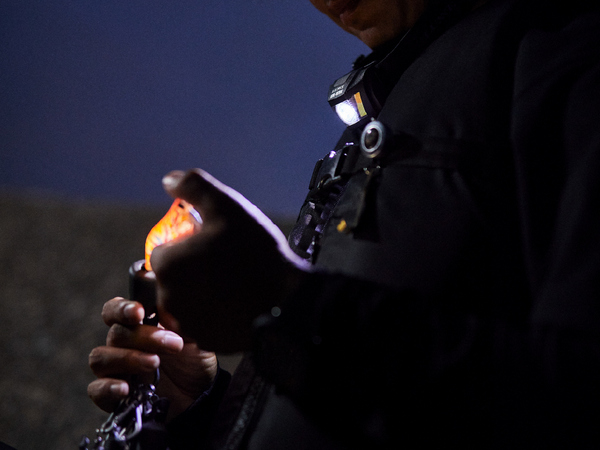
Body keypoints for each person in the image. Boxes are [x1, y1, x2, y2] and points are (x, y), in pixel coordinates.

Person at [88, 0, 600, 447]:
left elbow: (574, 401)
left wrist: (289, 305)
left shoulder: (564, 45)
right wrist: (200, 409)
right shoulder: (394, 94)